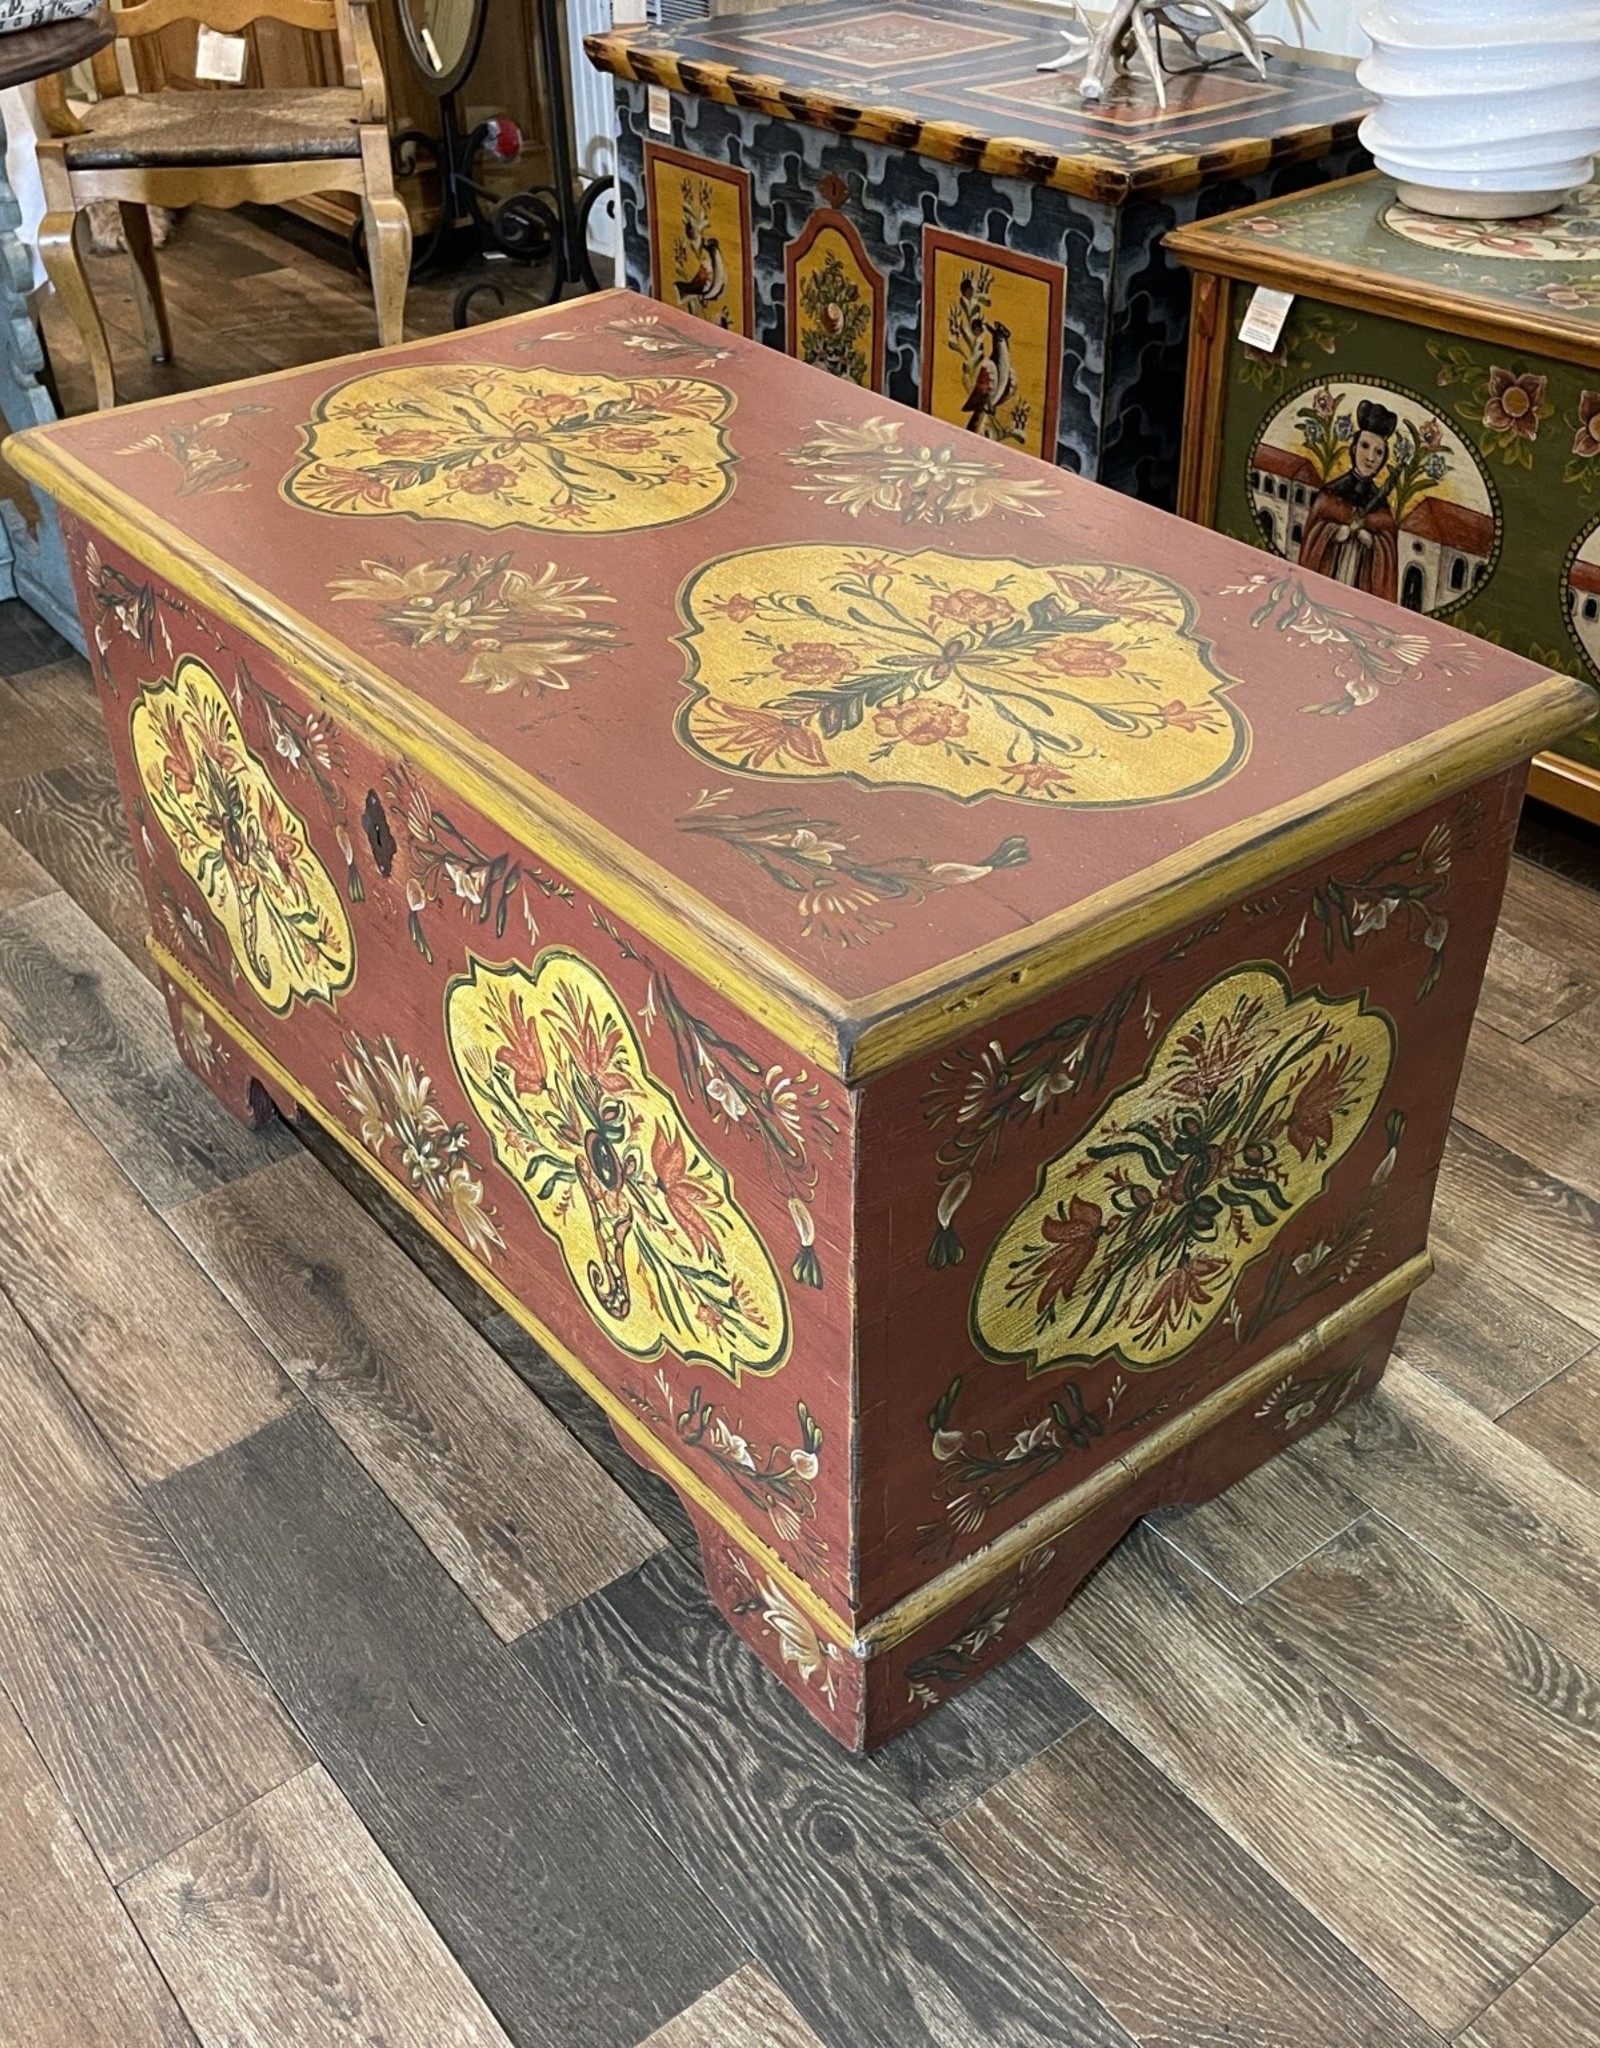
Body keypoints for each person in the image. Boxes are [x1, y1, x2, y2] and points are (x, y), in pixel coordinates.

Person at [1298, 399, 1399, 603]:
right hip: (1325, 585)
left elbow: (1388, 547)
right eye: (1365, 446)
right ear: (1353, 449)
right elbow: (1314, 532)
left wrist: (1371, 540)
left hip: (1360, 589)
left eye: (1379, 452)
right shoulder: (1331, 492)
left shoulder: (1382, 507)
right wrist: (1335, 532)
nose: (1370, 457)